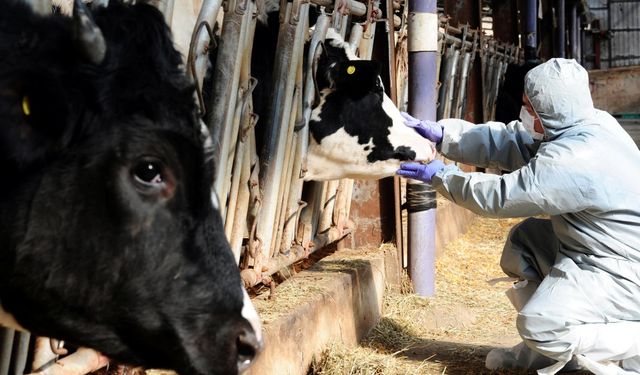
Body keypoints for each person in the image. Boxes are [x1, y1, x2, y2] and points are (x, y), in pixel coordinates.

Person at [397, 58, 640, 375]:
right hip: (594, 249)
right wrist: (444, 135)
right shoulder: (588, 124)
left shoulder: (576, 158)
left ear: (552, 109)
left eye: (531, 107)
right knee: (525, 242)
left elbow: (501, 196)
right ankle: (544, 356)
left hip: (621, 269)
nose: (525, 113)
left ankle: (620, 346)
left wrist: (442, 176)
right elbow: (512, 142)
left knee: (541, 324)